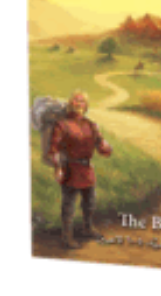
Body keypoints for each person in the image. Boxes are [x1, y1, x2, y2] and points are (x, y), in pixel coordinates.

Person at [47, 90, 112, 249]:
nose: (78, 103)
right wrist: (57, 168)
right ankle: (66, 237)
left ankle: (87, 228)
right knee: (69, 205)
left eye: (82, 101)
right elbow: (54, 149)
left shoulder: (91, 125)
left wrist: (105, 147)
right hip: (70, 169)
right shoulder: (62, 125)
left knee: (90, 202)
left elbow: (102, 147)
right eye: (76, 100)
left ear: (86, 105)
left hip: (87, 169)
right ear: (70, 103)